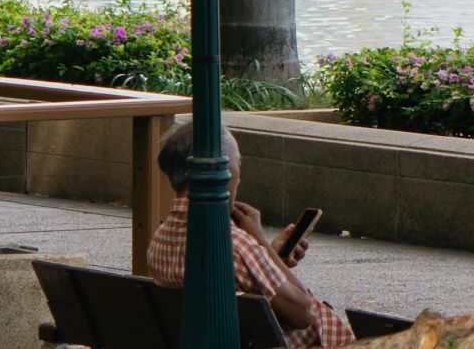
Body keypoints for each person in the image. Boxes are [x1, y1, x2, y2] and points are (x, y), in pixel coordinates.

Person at [148, 121, 354, 348]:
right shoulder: (234, 246)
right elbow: (303, 312)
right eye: (238, 164)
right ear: (221, 171)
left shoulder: (159, 239)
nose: (240, 178)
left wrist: (267, 256)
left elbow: (240, 277)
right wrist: (258, 240)